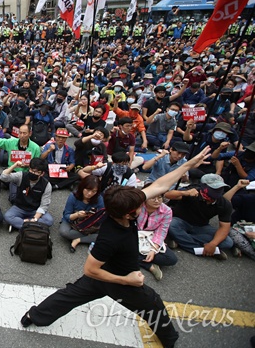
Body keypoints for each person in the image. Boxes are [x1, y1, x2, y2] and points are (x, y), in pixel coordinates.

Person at [20, 147, 211, 348]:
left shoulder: (120, 207)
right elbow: (90, 270)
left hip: (103, 274)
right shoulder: (110, 237)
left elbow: (161, 184)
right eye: (139, 206)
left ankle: (34, 315)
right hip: (117, 279)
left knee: (69, 295)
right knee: (153, 304)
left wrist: (189, 163)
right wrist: (126, 280)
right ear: (129, 214)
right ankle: (170, 341)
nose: (143, 204)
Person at [165, 174, 234, 260]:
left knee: (228, 242)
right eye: (214, 188)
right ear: (204, 187)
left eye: (220, 188)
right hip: (180, 221)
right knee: (171, 225)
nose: (218, 191)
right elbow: (168, 195)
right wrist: (185, 193)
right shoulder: (193, 190)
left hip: (201, 226)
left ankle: (180, 240)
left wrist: (213, 244)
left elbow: (224, 227)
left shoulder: (224, 204)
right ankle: (201, 250)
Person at [136, 183, 178, 281]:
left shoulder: (166, 211)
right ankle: (149, 266)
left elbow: (162, 231)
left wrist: (153, 249)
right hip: (133, 235)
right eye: (153, 198)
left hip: (149, 238)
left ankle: (137, 258)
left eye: (160, 197)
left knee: (171, 259)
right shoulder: (137, 205)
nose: (157, 201)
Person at [1, 158, 54, 233]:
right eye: (31, 170)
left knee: (49, 221)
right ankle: (34, 227)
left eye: (37, 172)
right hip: (19, 207)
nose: (33, 173)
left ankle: (21, 225)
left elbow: (44, 205)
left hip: (35, 210)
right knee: (7, 216)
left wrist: (35, 219)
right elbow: (3, 177)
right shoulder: (21, 176)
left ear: (42, 174)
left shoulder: (46, 185)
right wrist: (14, 165)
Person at [59, 175, 104, 253]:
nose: (90, 194)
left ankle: (78, 240)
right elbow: (67, 215)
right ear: (82, 187)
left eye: (93, 191)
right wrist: (77, 215)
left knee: (104, 235)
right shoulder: (73, 196)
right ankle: (88, 238)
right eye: (87, 190)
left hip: (90, 225)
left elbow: (102, 216)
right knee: (64, 232)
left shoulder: (99, 199)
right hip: (72, 221)